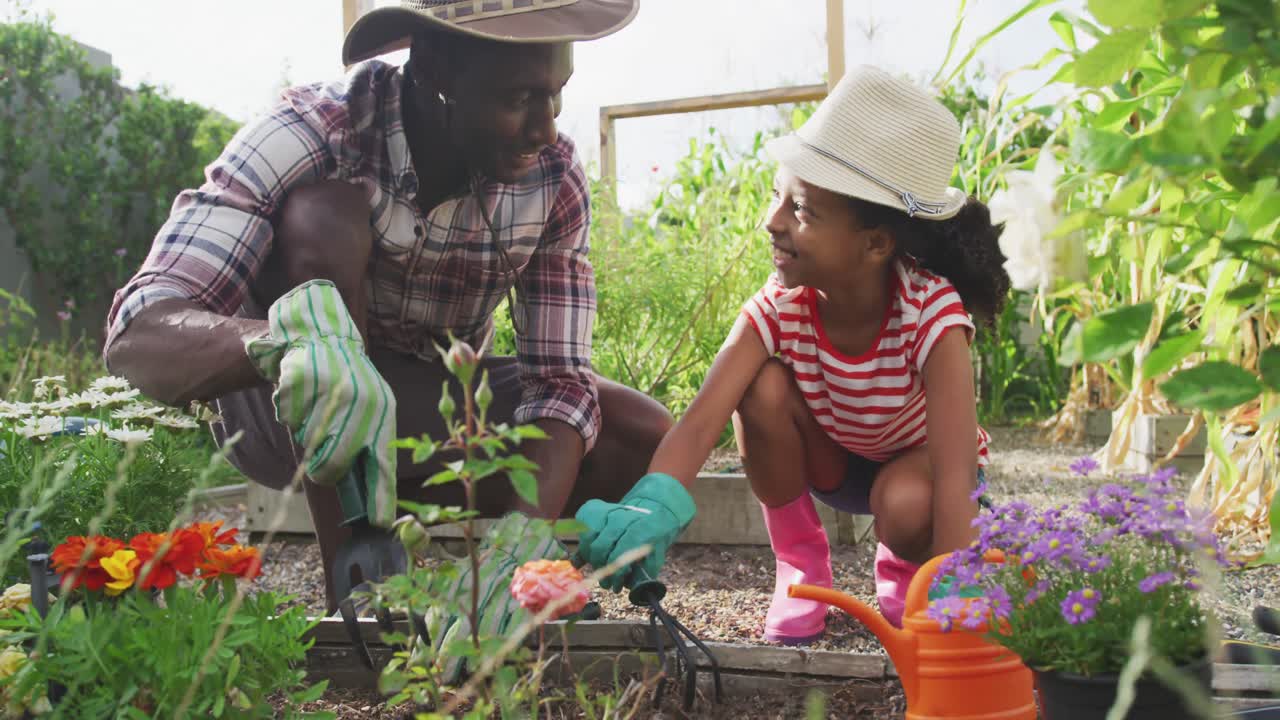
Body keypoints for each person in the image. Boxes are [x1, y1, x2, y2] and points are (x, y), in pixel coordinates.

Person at [102, 0, 673, 615]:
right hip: (282, 412)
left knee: (637, 438)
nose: (545, 129)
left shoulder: (552, 179)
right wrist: (294, 343)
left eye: (555, 95)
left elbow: (559, 381)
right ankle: (360, 583)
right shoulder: (315, 130)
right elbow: (139, 330)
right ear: (434, 73)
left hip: (429, 414)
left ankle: (484, 584)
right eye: (518, 100)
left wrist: (522, 547)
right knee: (322, 217)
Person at [575, 65, 1011, 644]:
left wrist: (952, 589)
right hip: (834, 458)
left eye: (800, 210)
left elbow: (956, 471)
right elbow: (704, 417)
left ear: (877, 243)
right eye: (776, 197)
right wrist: (650, 503)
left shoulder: (932, 314)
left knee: (905, 504)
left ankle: (908, 568)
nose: (771, 222)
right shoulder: (780, 306)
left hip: (919, 472)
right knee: (761, 385)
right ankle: (800, 564)